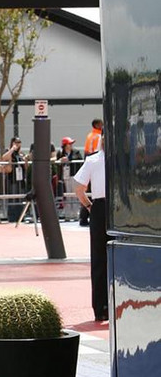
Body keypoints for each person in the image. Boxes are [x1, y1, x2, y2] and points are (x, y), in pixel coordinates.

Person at [74, 135, 108, 322]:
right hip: (121, 208)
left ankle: (100, 308)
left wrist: (89, 206)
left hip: (100, 208)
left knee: (99, 259)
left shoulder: (92, 160)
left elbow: (78, 188)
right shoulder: (124, 158)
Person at [80, 119, 103, 226]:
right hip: (97, 162)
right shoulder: (98, 136)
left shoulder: (90, 135)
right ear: (97, 125)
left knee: (87, 192)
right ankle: (85, 216)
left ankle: (83, 217)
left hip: (90, 162)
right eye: (101, 124)